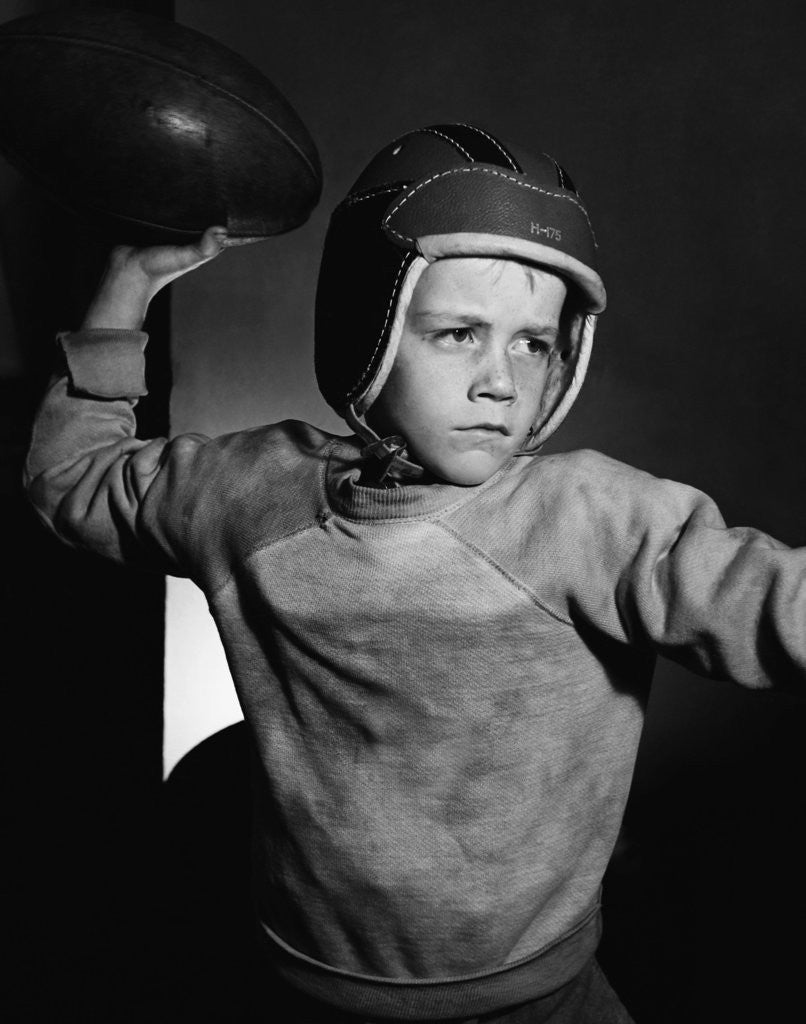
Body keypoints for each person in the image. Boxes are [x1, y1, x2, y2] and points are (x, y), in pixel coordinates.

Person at [23, 123, 806, 1023]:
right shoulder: (249, 493)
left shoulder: (593, 518)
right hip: (303, 985)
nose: (501, 382)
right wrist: (127, 282)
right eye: (459, 333)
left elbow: (776, 602)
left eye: (533, 344)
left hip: (538, 996)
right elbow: (71, 479)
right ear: (368, 330)